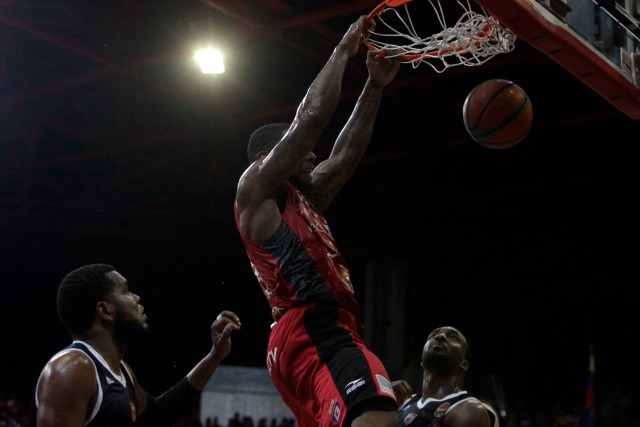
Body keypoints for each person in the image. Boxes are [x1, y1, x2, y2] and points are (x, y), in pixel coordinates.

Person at [233, 14, 401, 427]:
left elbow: (342, 161)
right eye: (302, 152)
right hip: (313, 325)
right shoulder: (256, 187)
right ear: (268, 158)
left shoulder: (300, 199)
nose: (313, 155)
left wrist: (374, 86)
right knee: (377, 413)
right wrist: (343, 51)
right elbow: (309, 121)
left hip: (310, 332)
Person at [31, 263, 241, 427]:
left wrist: (215, 356)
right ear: (105, 310)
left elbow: (159, 416)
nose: (137, 298)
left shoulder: (122, 372)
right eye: (126, 291)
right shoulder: (72, 370)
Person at [394, 326, 499, 427]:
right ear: (422, 360)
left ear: (463, 364)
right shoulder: (402, 402)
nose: (439, 336)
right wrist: (382, 401)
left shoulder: (468, 408)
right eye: (433, 335)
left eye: (453, 337)